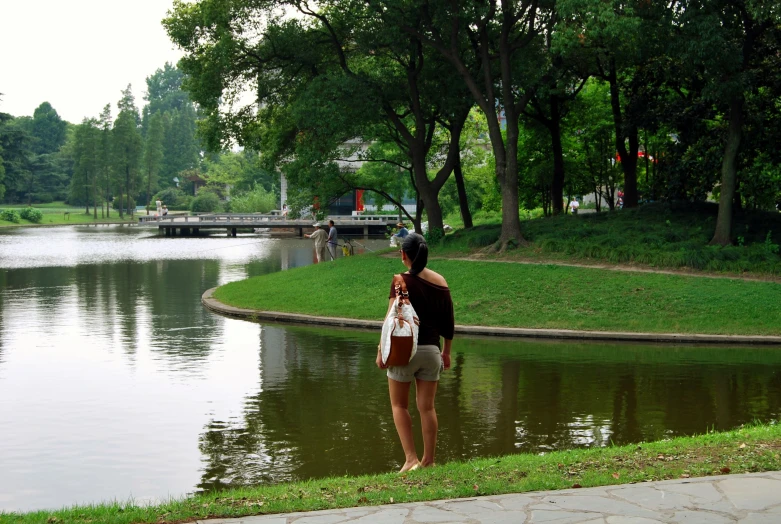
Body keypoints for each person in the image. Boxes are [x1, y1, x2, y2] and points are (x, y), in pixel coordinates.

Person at [376, 233, 454, 473]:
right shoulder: (441, 281)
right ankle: (429, 460)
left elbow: (390, 320)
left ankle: (411, 460)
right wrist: (446, 352)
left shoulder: (400, 281)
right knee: (427, 407)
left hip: (404, 351)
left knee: (399, 405)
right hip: (432, 352)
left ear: (404, 255)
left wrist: (381, 351)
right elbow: (448, 322)